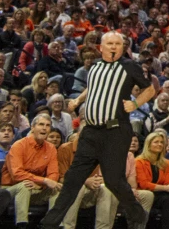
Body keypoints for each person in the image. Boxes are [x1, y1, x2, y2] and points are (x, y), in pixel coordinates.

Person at [40, 32, 153, 229]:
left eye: (118, 44)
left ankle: (137, 213)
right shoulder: (95, 67)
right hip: (90, 132)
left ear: (123, 47)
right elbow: (92, 88)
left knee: (113, 180)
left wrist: (135, 104)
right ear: (101, 47)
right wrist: (78, 100)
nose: (113, 47)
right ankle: (48, 224)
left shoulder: (129, 66)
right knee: (73, 179)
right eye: (110, 43)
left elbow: (150, 90)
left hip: (115, 131)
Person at [5, 113, 63, 222]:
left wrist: (40, 186)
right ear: (32, 128)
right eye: (41, 124)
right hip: (12, 189)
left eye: (47, 125)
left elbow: (53, 174)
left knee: (56, 189)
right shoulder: (19, 145)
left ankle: (50, 224)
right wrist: (43, 180)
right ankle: (22, 224)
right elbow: (17, 174)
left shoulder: (51, 148)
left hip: (37, 189)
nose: (44, 128)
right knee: (24, 185)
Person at [136, 130, 169, 229]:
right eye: (156, 142)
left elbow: (167, 182)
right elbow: (143, 184)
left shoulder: (166, 163)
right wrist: (166, 188)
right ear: (148, 144)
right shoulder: (139, 161)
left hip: (160, 194)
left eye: (161, 142)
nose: (159, 144)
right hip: (145, 194)